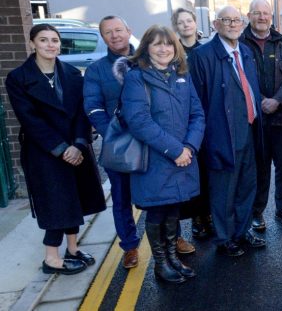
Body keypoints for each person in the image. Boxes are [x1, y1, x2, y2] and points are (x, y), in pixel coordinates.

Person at [6, 24, 106, 275]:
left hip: (76, 146)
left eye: (55, 40)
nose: (51, 45)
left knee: (75, 198)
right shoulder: (18, 78)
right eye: (44, 40)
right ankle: (51, 258)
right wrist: (62, 149)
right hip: (45, 151)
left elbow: (83, 113)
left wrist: (79, 144)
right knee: (56, 202)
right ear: (32, 43)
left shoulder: (72, 73)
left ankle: (72, 248)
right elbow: (30, 120)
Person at [116, 25, 205, 284]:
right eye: (157, 44)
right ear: (147, 47)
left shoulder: (182, 74)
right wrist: (176, 150)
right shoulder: (136, 78)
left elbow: (197, 114)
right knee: (157, 212)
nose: (164, 48)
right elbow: (139, 121)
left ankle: (173, 259)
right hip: (156, 159)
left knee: (174, 209)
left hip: (183, 158)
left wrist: (190, 147)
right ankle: (160, 263)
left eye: (168, 43)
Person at [188, 6, 266, 257]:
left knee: (246, 186)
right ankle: (224, 238)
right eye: (227, 20)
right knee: (224, 191)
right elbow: (196, 102)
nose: (233, 24)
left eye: (237, 20)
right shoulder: (202, 56)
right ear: (215, 24)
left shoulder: (245, 51)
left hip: (249, 129)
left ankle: (241, 232)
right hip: (221, 135)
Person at [83, 16, 153, 269]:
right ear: (103, 37)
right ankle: (130, 246)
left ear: (129, 30)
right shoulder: (96, 70)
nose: (114, 35)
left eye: (118, 30)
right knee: (122, 198)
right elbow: (92, 106)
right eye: (108, 32)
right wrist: (110, 133)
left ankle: (172, 238)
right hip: (119, 144)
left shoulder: (149, 59)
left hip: (153, 140)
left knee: (160, 193)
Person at [239, 0, 282, 231]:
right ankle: (257, 212)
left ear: (271, 16)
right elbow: (241, 75)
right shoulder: (241, 42)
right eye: (257, 13)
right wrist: (262, 100)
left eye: (265, 13)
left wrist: (278, 100)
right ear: (249, 15)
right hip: (256, 118)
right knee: (260, 167)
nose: (262, 17)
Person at [172, 7, 214, 241]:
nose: (186, 25)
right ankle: (189, 222)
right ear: (176, 26)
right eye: (181, 22)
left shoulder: (206, 49)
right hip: (182, 118)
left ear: (195, 23)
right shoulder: (172, 51)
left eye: (189, 20)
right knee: (188, 170)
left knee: (207, 171)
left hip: (205, 116)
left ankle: (204, 216)